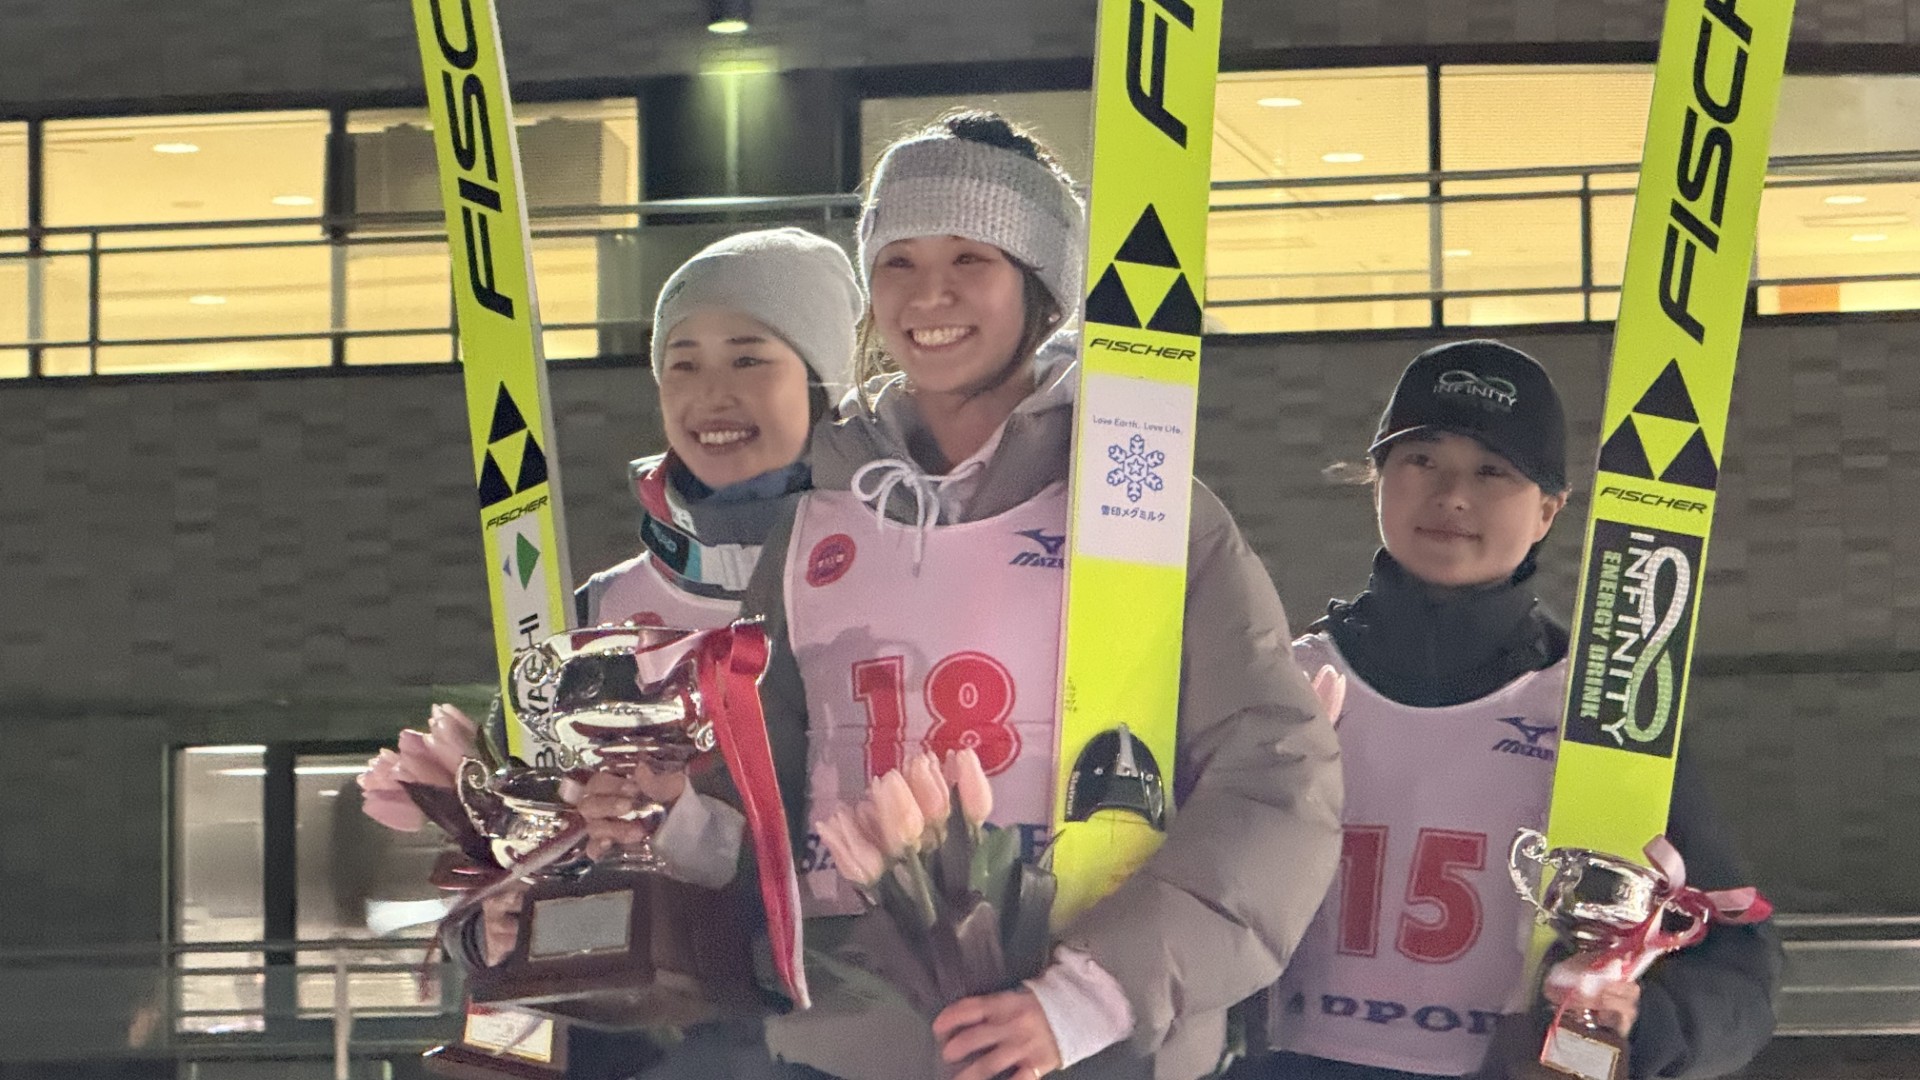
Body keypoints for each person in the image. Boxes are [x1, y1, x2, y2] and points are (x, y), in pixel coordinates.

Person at [736, 110, 1343, 1080]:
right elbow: (747, 786)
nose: (928, 293)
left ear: (1041, 286)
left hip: (1091, 1046)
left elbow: (1275, 782)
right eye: (897, 261)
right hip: (849, 1045)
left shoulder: (1146, 509)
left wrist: (1089, 998)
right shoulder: (816, 520)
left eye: (970, 258)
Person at [1226, 340, 1781, 1080]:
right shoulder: (1287, 682)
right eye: (1421, 459)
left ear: (1548, 509)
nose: (1453, 495)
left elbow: (1741, 961)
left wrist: (1638, 1026)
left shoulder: (1601, 713)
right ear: (1377, 481)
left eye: (1493, 471)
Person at [464, 226, 861, 1080]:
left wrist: (686, 827)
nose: (711, 393)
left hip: (844, 1037)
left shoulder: (882, 583)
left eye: (750, 358)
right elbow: (501, 825)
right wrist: (496, 916)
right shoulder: (597, 612)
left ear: (824, 385)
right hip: (634, 1045)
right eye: (682, 364)